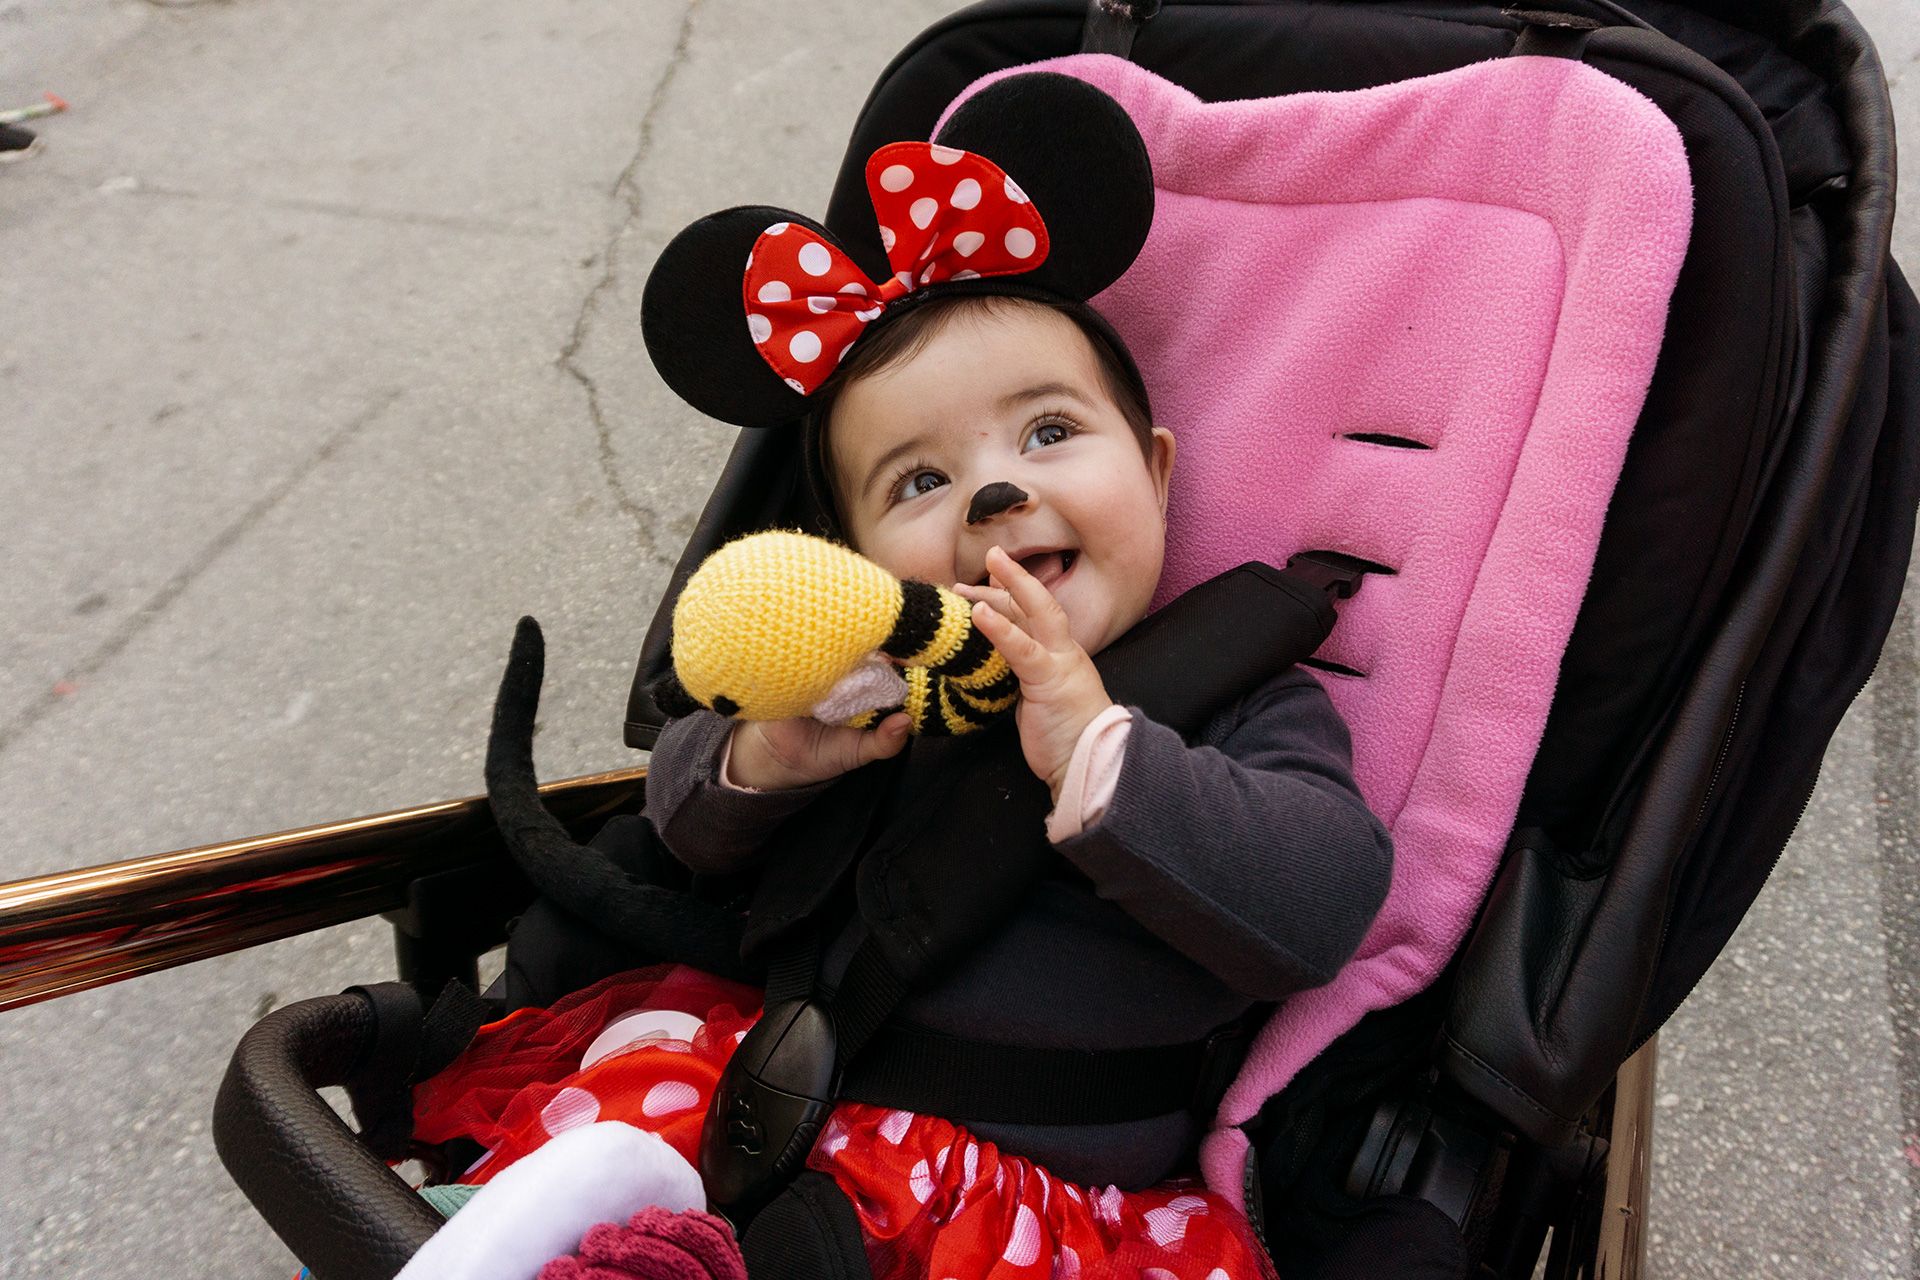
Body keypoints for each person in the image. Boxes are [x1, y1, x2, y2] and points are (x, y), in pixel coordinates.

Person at [417, 72, 1391, 1280]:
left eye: (1047, 433)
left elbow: (1323, 901)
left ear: (1154, 470)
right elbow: (684, 821)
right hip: (749, 1092)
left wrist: (1096, 741)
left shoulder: (1237, 694)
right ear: (860, 558)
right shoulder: (881, 677)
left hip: (1025, 1197)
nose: (995, 492)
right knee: (587, 1159)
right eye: (918, 481)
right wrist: (767, 759)